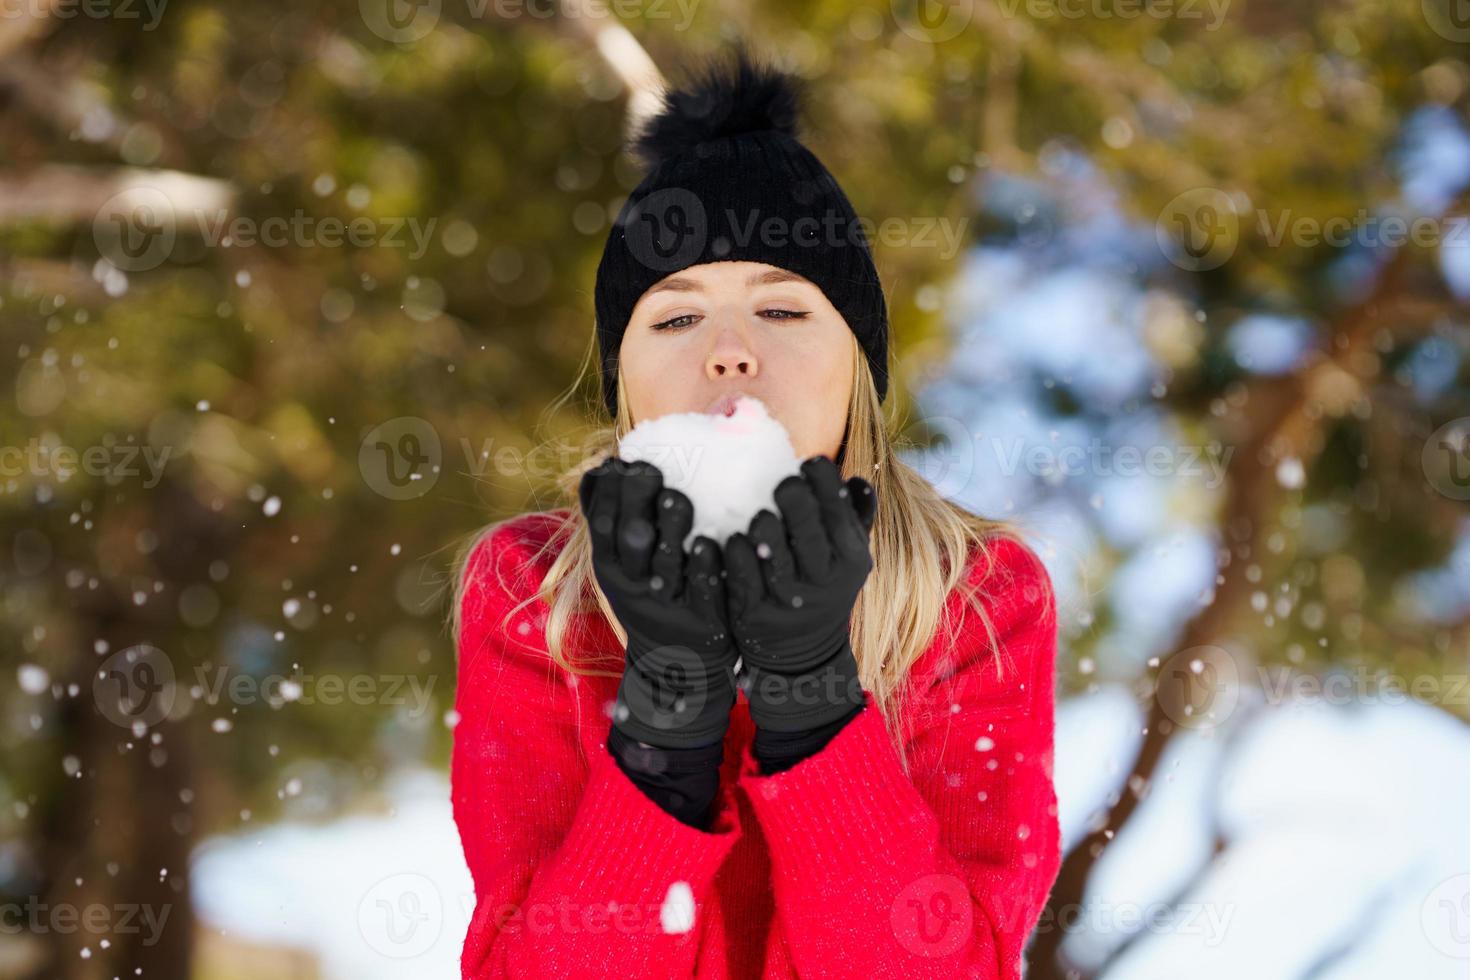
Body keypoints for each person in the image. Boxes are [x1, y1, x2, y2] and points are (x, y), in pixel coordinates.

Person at [450, 46, 1061, 979]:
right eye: (676, 317)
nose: (730, 352)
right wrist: (665, 717)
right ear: (624, 384)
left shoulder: (976, 598)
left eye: (781, 311)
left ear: (855, 363)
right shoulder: (533, 594)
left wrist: (813, 699)